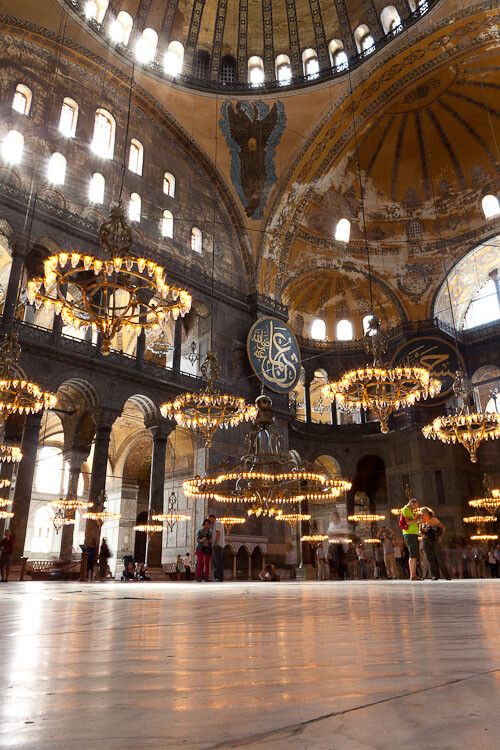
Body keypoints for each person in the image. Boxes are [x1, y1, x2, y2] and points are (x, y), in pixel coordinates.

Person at [419, 506, 451, 580]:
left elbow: (443, 527)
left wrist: (440, 538)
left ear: (427, 512)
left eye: (423, 512)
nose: (421, 513)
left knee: (439, 557)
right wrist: (422, 531)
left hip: (434, 540)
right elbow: (419, 532)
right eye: (421, 512)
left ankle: (447, 575)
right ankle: (434, 575)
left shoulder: (434, 519)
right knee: (430, 558)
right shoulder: (422, 520)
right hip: (425, 540)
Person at [401, 498, 421, 580]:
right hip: (410, 535)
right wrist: (418, 519)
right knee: (412, 554)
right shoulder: (406, 509)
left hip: (412, 534)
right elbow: (408, 522)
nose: (415, 508)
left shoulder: (409, 510)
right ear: (412, 503)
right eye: (415, 506)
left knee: (414, 554)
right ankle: (412, 575)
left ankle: (414, 574)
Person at [209, 513, 225, 582]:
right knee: (216, 562)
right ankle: (216, 577)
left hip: (218, 545)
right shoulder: (215, 524)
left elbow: (218, 533)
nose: (209, 520)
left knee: (218, 562)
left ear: (212, 518)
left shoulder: (218, 523)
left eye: (209, 519)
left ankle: (219, 578)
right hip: (216, 545)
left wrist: (215, 543)